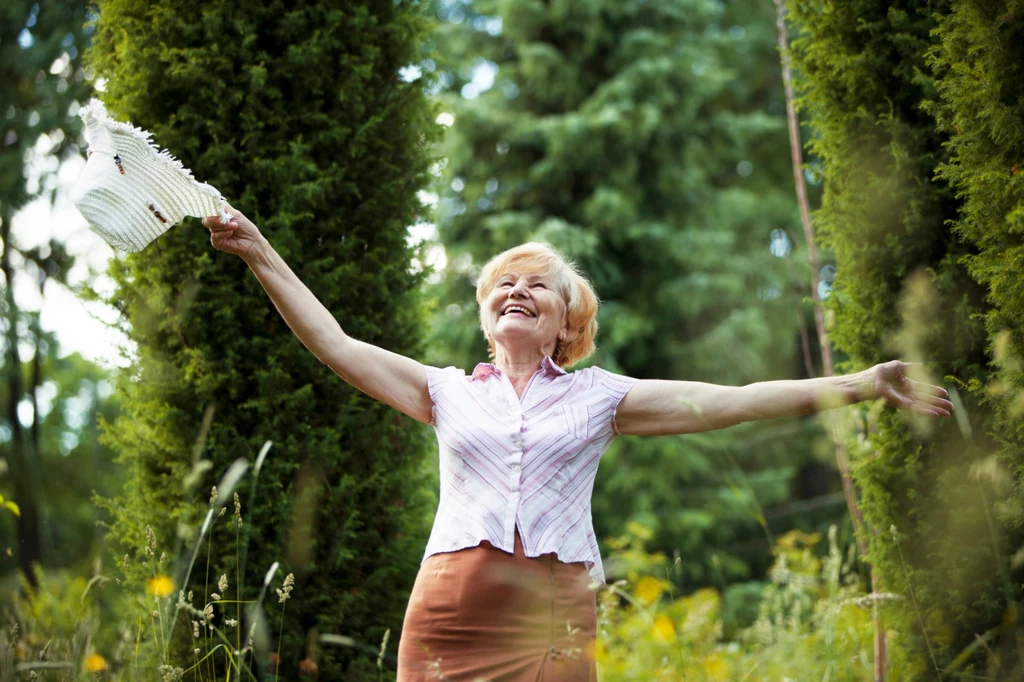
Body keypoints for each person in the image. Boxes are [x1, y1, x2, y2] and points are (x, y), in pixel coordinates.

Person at [202, 208, 953, 681]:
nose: (518, 291)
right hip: (451, 611)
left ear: (567, 322)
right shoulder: (444, 390)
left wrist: (860, 381)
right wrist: (259, 251)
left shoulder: (602, 397)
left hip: (552, 613)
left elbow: (733, 403)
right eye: (503, 285)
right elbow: (333, 341)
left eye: (538, 285)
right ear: (487, 316)